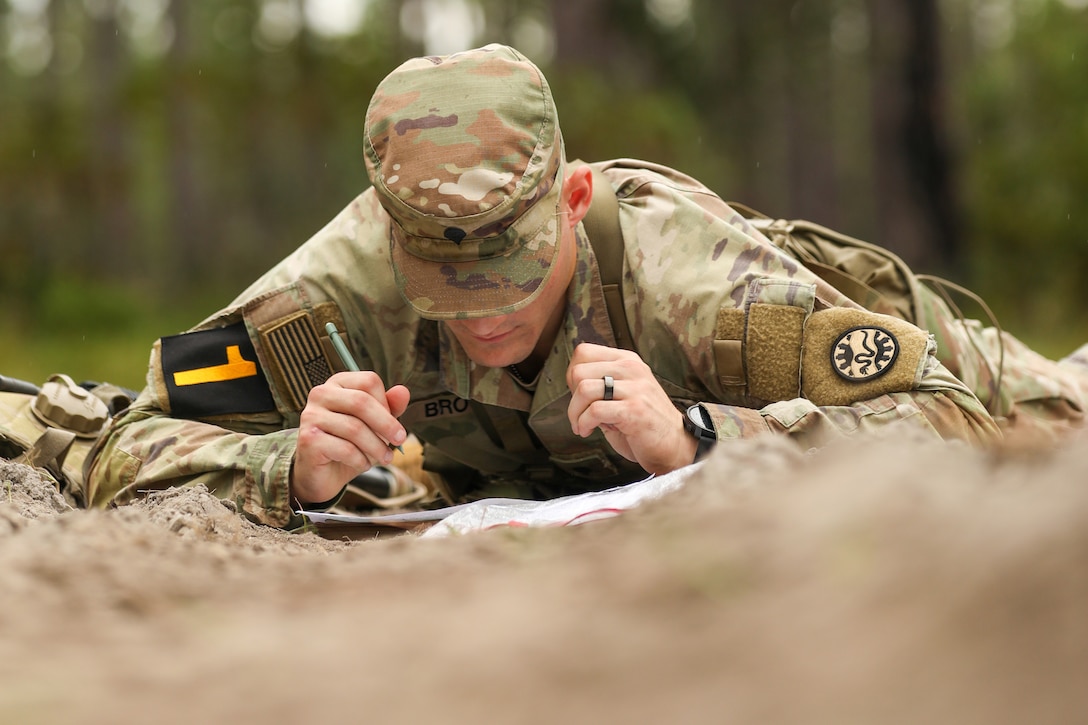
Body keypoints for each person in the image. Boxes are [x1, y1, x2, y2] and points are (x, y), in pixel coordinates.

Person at [85, 44, 1088, 528]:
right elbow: (129, 438)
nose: (479, 311)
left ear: (570, 198)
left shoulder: (686, 278)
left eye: (506, 272)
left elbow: (941, 412)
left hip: (987, 374)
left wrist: (701, 437)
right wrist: (284, 464)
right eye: (442, 278)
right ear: (384, 225)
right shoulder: (328, 294)